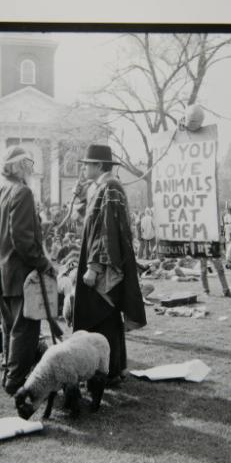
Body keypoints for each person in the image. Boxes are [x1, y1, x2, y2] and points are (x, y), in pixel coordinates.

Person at [72, 143, 147, 385]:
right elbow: (90, 222)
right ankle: (110, 369)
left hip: (104, 265)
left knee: (103, 317)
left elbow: (107, 231)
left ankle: (109, 371)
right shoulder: (100, 187)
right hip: (100, 260)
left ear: (99, 165)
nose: (84, 170)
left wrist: (94, 266)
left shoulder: (110, 187)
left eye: (87, 166)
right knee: (104, 317)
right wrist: (81, 197)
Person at [0, 145, 52, 396]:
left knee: (10, 327)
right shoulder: (22, 192)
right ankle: (15, 381)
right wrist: (43, 263)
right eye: (30, 164)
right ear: (20, 166)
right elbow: (22, 239)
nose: (33, 169)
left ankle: (9, 375)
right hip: (21, 273)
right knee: (25, 330)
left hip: (2, 275)